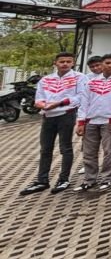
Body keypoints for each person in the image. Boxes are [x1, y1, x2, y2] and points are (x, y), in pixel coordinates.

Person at [20, 52, 87, 196]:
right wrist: (41, 105)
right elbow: (39, 98)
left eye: (68, 61)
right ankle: (42, 180)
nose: (65, 64)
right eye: (62, 61)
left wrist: (58, 103)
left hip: (66, 115)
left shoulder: (79, 77)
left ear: (73, 63)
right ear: (55, 63)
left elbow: (80, 97)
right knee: (45, 149)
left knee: (65, 148)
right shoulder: (46, 79)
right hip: (47, 116)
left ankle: (63, 179)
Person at [75, 54, 111, 192]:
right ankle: (89, 179)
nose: (110, 65)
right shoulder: (91, 82)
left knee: (110, 151)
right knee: (89, 152)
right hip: (91, 121)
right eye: (107, 63)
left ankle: (107, 179)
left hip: (110, 121)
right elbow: (84, 102)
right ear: (102, 64)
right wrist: (81, 121)